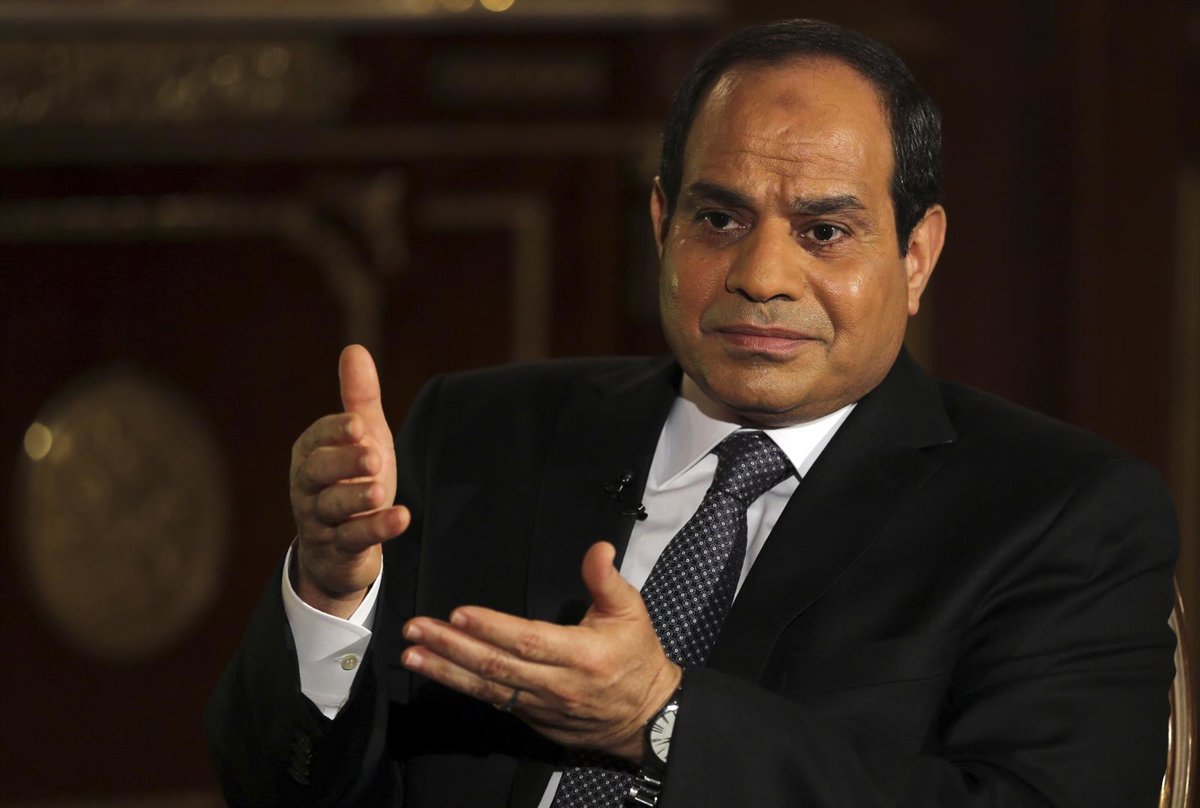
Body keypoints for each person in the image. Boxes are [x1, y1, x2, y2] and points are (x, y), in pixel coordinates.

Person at [206, 18, 1179, 807]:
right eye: (720, 219)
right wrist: (328, 596)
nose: (762, 276)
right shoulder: (475, 434)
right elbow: (275, 791)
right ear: (661, 224)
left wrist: (663, 720)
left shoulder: (1061, 515)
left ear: (916, 255)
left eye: (823, 231)